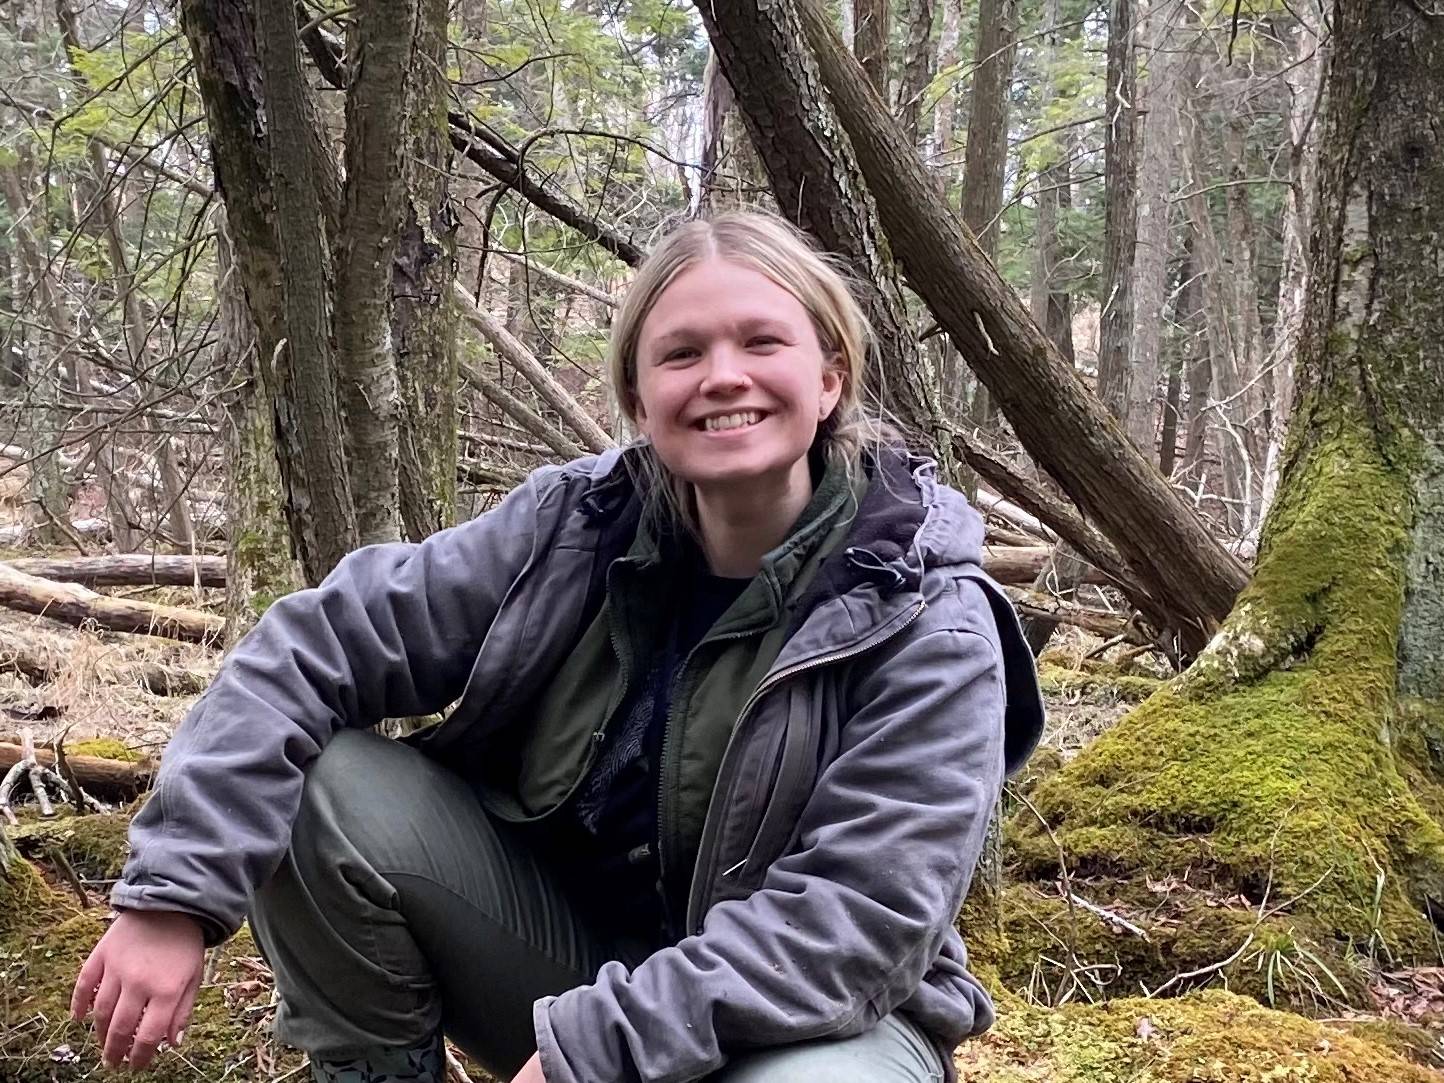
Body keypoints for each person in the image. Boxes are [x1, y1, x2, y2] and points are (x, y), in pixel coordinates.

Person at [70, 210, 1042, 1083]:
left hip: (818, 1024)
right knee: (329, 787)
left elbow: (857, 924)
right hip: (569, 971)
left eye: (762, 341)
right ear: (638, 398)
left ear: (830, 377)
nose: (723, 376)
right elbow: (313, 644)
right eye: (681, 353)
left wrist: (600, 1047)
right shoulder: (575, 529)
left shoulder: (925, 611)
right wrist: (171, 895)